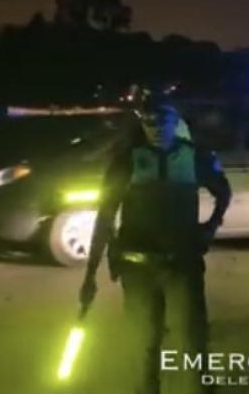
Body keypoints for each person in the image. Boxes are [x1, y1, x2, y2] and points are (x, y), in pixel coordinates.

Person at [79, 97, 231, 394]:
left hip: (182, 267)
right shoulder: (126, 161)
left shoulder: (195, 157)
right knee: (143, 347)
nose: (158, 127)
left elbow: (223, 192)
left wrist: (210, 227)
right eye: (150, 121)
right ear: (142, 124)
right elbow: (106, 215)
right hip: (138, 270)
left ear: (177, 122)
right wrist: (90, 275)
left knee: (193, 343)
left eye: (164, 120)